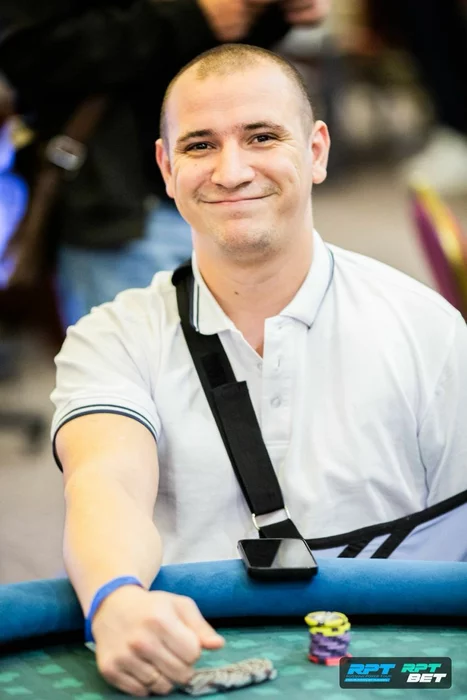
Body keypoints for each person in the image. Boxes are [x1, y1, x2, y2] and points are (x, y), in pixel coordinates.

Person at [51, 44, 467, 696]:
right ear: (166, 168)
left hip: (385, 674)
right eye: (199, 145)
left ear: (316, 151)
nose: (232, 170)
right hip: (200, 666)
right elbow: (106, 483)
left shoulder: (427, 330)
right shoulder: (112, 337)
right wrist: (116, 598)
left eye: (262, 137)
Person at [0, 0, 330, 327]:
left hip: (228, 207)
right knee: (137, 352)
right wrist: (190, 17)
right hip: (120, 206)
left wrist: (276, 14)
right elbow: (27, 51)